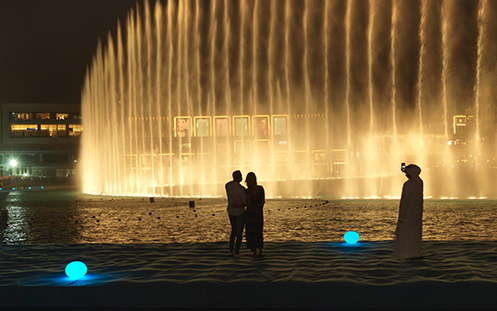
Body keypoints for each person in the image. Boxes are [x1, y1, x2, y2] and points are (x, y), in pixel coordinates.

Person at [393, 164, 424, 259]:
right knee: (415, 233)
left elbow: (405, 200)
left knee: (405, 232)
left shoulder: (408, 184)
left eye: (407, 172)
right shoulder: (419, 182)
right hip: (417, 213)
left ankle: (405, 252)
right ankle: (415, 251)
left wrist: (402, 215)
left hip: (407, 213)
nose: (406, 174)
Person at [225, 170, 246, 257]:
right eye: (240, 175)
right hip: (240, 212)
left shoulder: (227, 186)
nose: (242, 177)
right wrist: (239, 205)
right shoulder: (242, 189)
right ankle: (237, 251)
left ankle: (230, 250)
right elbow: (244, 202)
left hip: (231, 211)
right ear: (238, 177)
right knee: (239, 232)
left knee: (233, 231)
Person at [244, 172, 265, 257]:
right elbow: (263, 201)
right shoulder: (261, 189)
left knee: (251, 232)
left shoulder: (248, 191)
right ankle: (260, 251)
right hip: (258, 213)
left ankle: (254, 252)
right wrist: (259, 208)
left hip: (250, 214)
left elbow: (248, 203)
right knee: (259, 232)